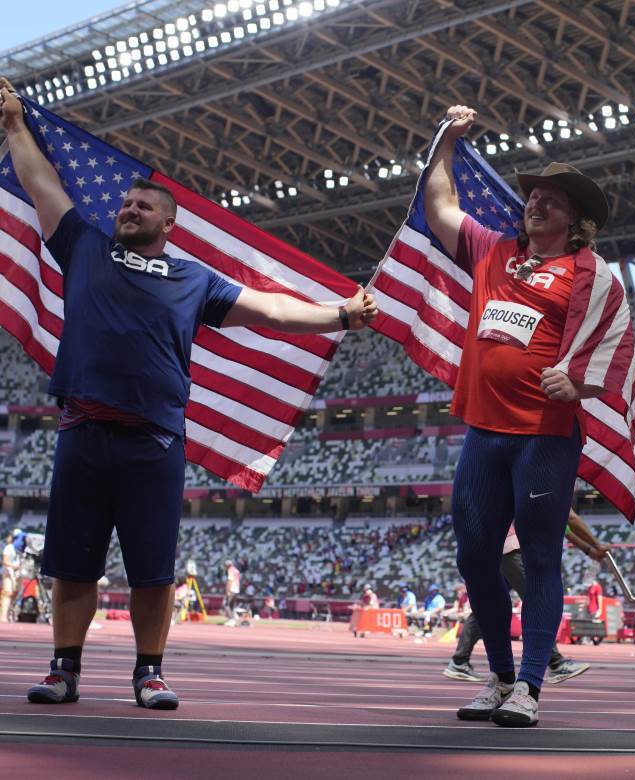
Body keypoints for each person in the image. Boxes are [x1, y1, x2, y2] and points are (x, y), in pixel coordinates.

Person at [1, 78, 378, 711]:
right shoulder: (85, 248)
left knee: (153, 571)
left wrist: (338, 315)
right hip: (83, 434)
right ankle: (64, 668)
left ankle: (149, 672)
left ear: (169, 224)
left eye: (143, 207)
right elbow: (42, 185)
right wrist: (14, 125)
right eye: (125, 205)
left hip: (154, 443)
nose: (128, 211)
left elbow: (274, 312)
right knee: (71, 565)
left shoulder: (193, 279)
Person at [425, 105, 634, 728]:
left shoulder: (590, 277)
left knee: (540, 556)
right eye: (533, 195)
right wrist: (444, 143)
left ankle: (531, 687)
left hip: (544, 435)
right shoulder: (493, 252)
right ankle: (500, 673)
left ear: (578, 222)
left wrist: (579, 382)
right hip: (484, 432)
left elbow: (617, 344)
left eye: (550, 200)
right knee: (472, 554)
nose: (535, 204)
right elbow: (439, 210)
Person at [444, 509, 608, 684]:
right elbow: (569, 517)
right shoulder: (552, 482)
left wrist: (589, 549)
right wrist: (595, 545)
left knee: (489, 604)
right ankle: (556, 662)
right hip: (510, 546)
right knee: (537, 598)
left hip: (494, 542)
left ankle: (459, 661)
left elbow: (563, 527)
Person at [1, 531, 20, 623]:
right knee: (7, 593)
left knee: (13, 594)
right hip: (8, 573)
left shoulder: (17, 548)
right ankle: (3, 615)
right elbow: (5, 561)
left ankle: (8, 614)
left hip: (14, 573)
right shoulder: (8, 548)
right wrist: (14, 566)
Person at [223, 560, 242, 626]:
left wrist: (228, 591)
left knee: (226, 605)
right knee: (232, 606)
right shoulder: (236, 570)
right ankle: (233, 619)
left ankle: (231, 620)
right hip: (236, 589)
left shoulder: (230, 570)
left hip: (232, 590)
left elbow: (230, 581)